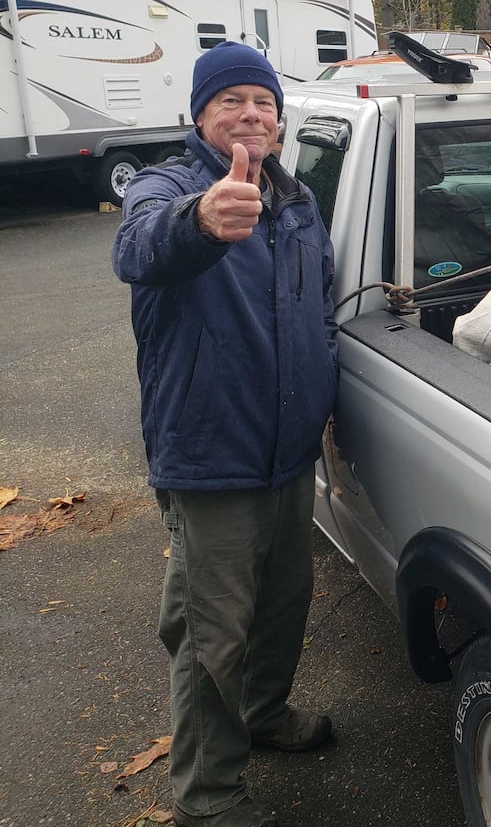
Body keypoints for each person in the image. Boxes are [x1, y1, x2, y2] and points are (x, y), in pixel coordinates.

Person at [113, 41, 338, 827]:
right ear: (200, 114)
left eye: (263, 102)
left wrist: (326, 401)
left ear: (280, 119)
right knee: (214, 636)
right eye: (231, 100)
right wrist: (202, 222)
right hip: (211, 456)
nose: (250, 114)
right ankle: (208, 800)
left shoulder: (298, 202)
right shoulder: (171, 187)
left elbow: (319, 316)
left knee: (283, 604)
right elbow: (137, 246)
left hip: (285, 453)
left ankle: (265, 717)